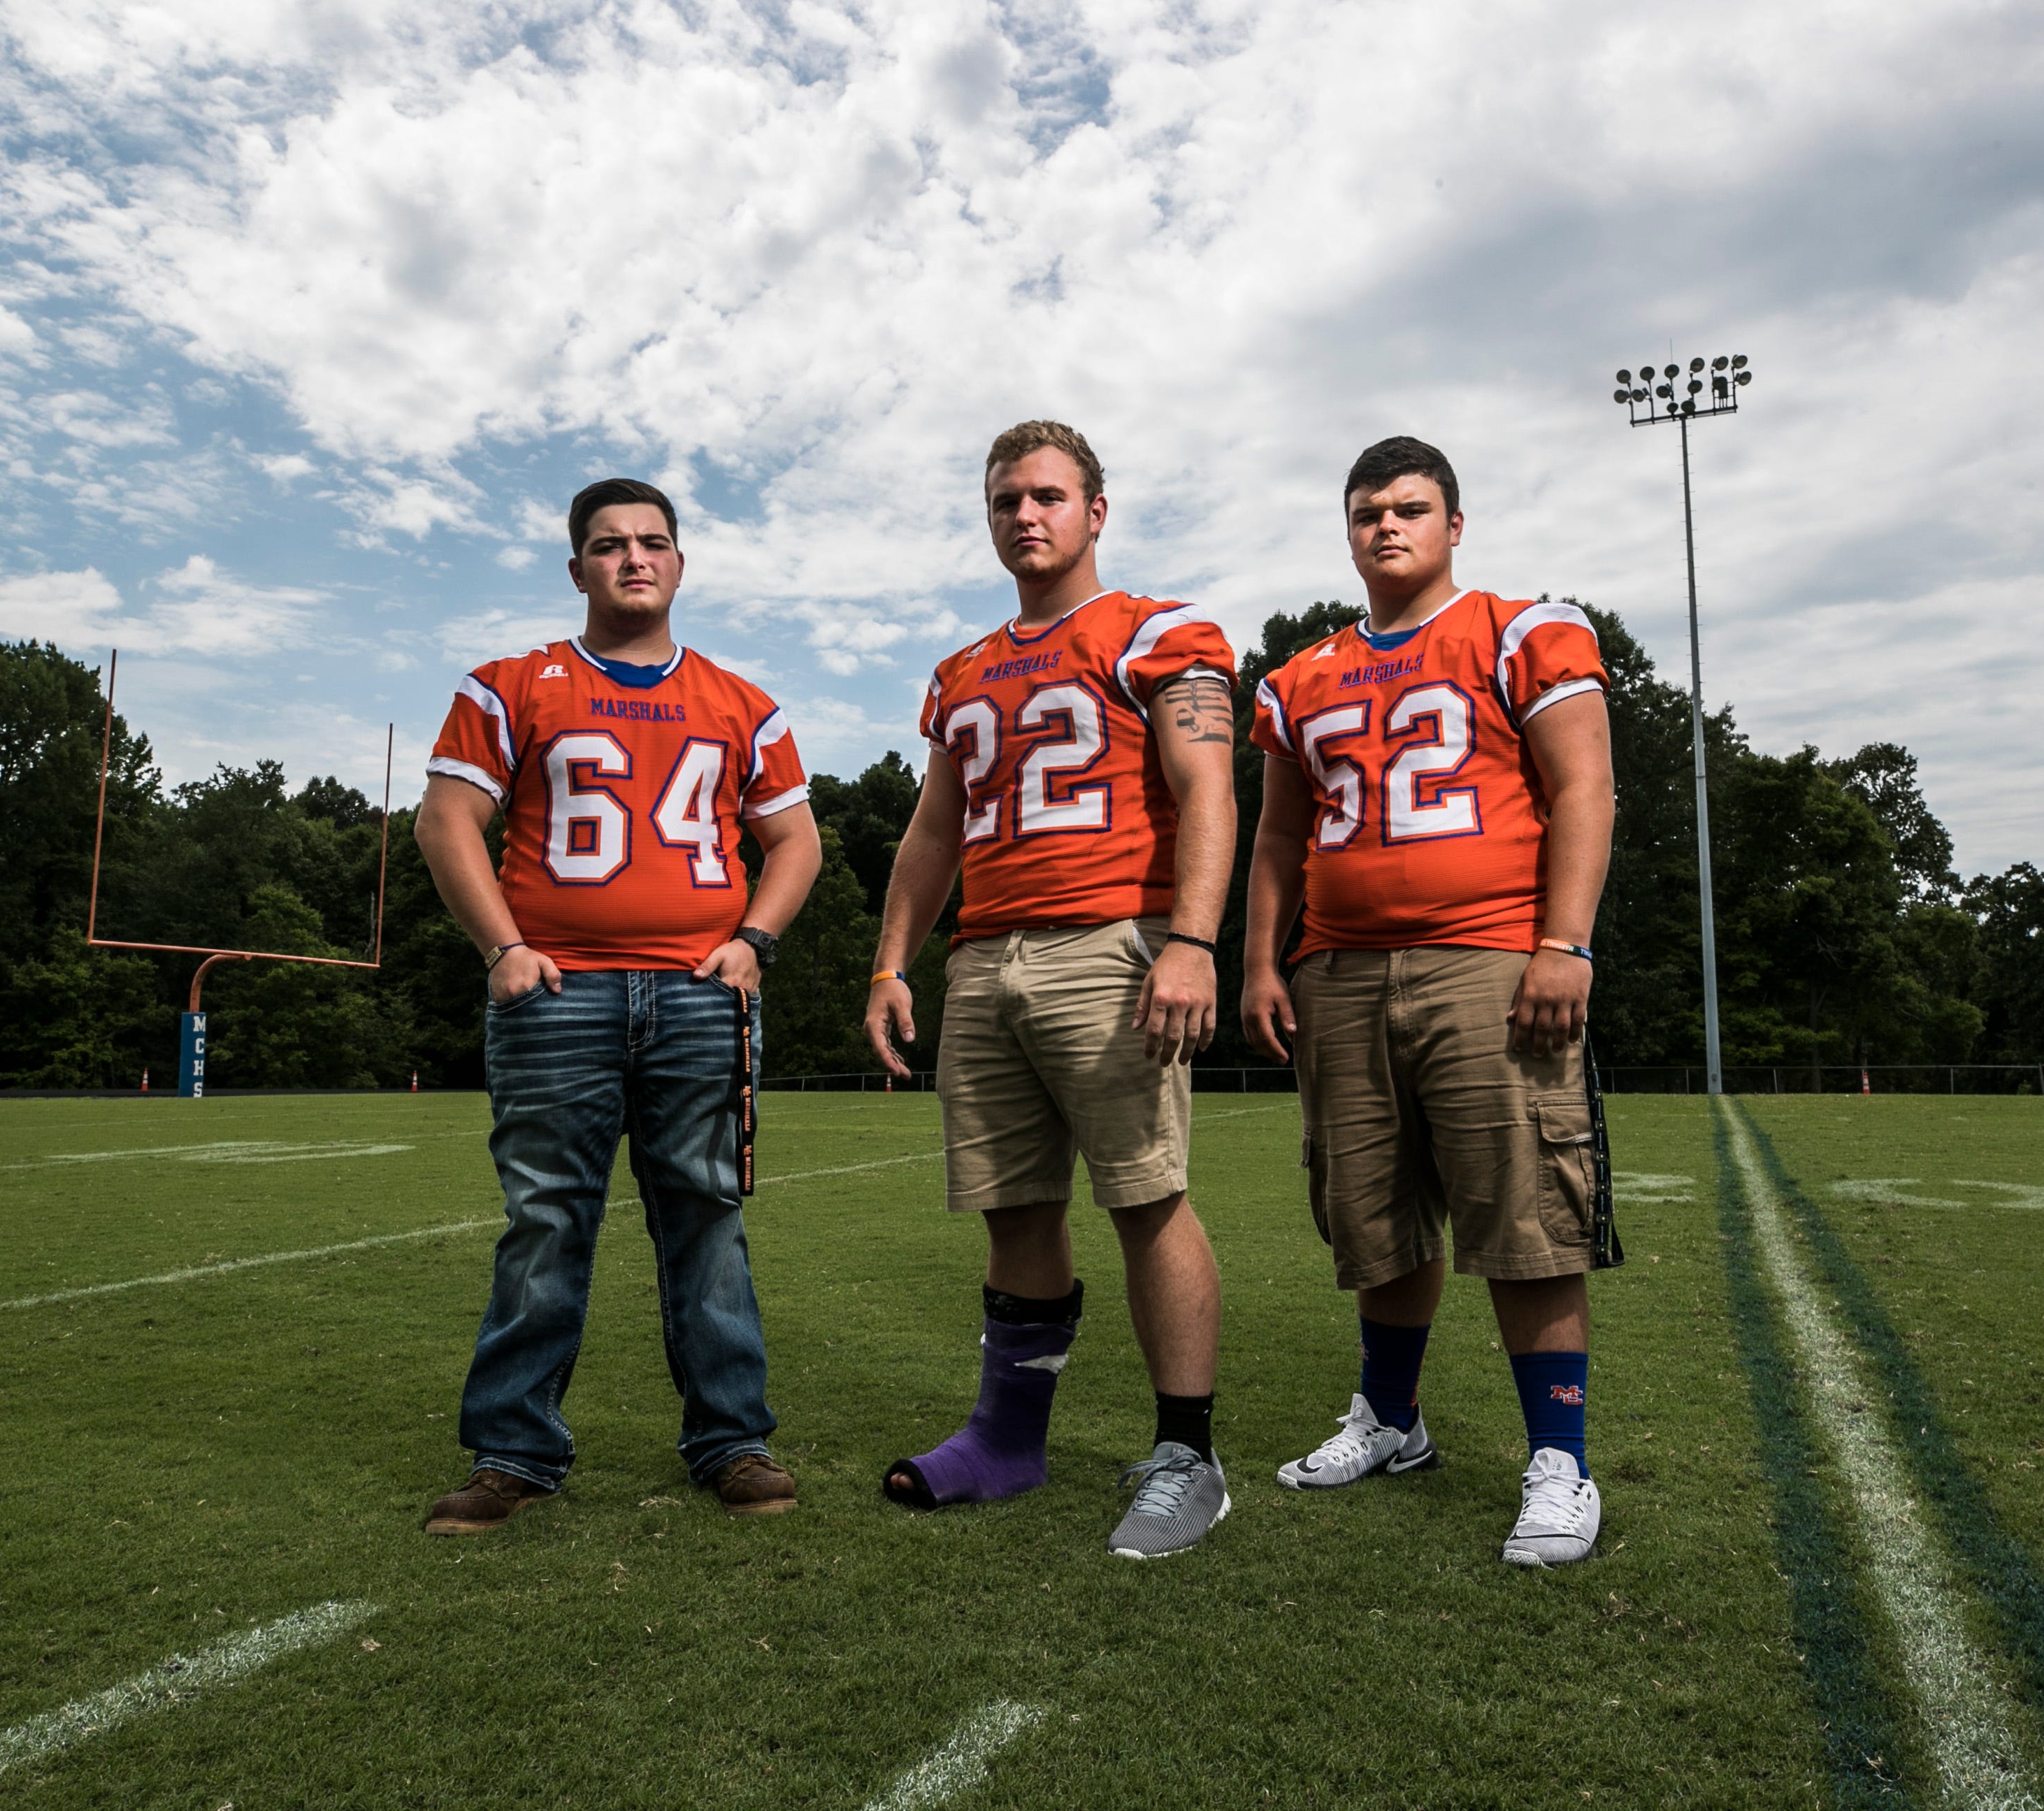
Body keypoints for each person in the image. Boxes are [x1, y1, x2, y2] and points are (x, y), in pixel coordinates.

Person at [1239, 435, 1620, 1568]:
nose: (1386, 528)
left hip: (1486, 958)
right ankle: (1393, 1422)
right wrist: (1262, 961)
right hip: (1341, 970)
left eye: (1410, 509)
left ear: (1455, 524)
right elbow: (1276, 836)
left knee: (1523, 1212)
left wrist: (1564, 944)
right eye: (1367, 513)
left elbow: (1583, 788)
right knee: (1372, 1214)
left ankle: (1559, 1458)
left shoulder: (1520, 632)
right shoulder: (1300, 677)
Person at [415, 477, 823, 1534]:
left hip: (696, 992)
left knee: (706, 1221)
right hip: (557, 992)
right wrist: (502, 946)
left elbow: (796, 841)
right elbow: (447, 821)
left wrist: (753, 943)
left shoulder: (741, 701)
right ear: (577, 569)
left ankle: (732, 1438)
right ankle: (512, 1451)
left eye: (651, 543)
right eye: (608, 546)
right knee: (545, 1222)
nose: (632, 559)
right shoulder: (512, 684)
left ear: (679, 563)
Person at [864, 421, 1239, 1559]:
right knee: (1014, 1208)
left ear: (1094, 511)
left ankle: (1188, 1458)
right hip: (987, 955)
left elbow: (1207, 786)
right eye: (1003, 501)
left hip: (1107, 943)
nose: (1024, 516)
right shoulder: (962, 670)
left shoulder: (1153, 631)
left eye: (1045, 496)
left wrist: (1191, 941)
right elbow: (934, 829)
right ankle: (1007, 1440)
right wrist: (891, 960)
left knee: (1143, 1196)